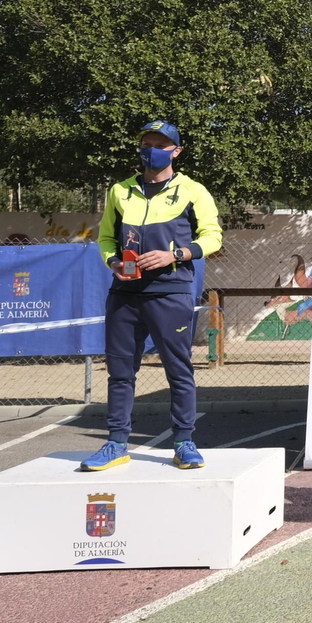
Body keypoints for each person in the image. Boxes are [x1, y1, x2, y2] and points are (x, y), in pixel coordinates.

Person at [82, 120, 221, 472]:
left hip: (170, 292)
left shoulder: (193, 191)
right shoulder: (120, 190)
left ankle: (184, 442)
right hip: (124, 294)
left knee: (178, 370)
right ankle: (116, 443)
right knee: (120, 372)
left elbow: (213, 237)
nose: (152, 151)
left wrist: (175, 255)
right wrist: (113, 261)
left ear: (176, 151)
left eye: (161, 145)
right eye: (147, 144)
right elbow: (106, 238)